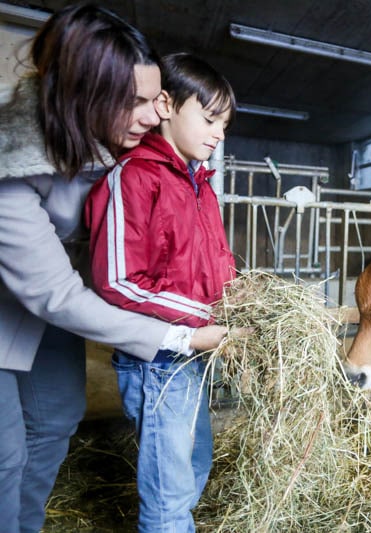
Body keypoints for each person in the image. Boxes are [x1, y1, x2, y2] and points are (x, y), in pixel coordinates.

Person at [0, 5, 228, 532]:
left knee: (55, 420)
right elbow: (58, 292)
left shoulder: (111, 151)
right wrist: (182, 336)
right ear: (85, 98)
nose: (154, 117)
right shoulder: (12, 169)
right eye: (138, 103)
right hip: (30, 300)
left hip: (44, 314)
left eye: (157, 100)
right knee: (5, 454)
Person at [84, 52, 236, 532]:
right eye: (210, 119)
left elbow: (216, 261)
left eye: (225, 124)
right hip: (157, 359)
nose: (219, 134)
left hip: (194, 353)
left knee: (196, 462)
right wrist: (201, 316)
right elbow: (118, 279)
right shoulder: (135, 176)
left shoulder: (200, 183)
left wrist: (237, 295)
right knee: (169, 491)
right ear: (167, 104)